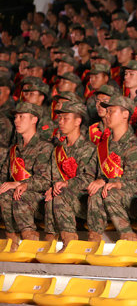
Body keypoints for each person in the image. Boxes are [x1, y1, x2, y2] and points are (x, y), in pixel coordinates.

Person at [86, 95, 137, 242]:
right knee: (94, 192)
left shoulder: (135, 146)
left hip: (132, 198)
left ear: (125, 114)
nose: (107, 115)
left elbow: (134, 182)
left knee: (109, 192)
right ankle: (94, 239)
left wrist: (107, 182)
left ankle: (128, 237)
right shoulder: (103, 145)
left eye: (111, 111)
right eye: (107, 111)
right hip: (107, 193)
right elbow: (89, 173)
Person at [0, 103, 54, 248]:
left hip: (39, 199)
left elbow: (45, 180)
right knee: (4, 194)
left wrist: (20, 184)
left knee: (19, 195)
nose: (16, 121)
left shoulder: (44, 147)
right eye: (15, 117)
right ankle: (12, 239)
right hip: (16, 196)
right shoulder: (14, 149)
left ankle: (29, 238)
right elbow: (4, 177)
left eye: (21, 117)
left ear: (34, 119)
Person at [45, 101, 96, 248]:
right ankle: (49, 243)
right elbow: (53, 176)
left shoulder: (88, 148)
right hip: (64, 194)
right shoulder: (58, 149)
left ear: (77, 121)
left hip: (83, 199)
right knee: (51, 196)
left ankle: (70, 243)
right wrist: (52, 188)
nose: (60, 122)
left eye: (65, 118)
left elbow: (88, 177)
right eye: (59, 118)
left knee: (60, 195)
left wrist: (66, 184)